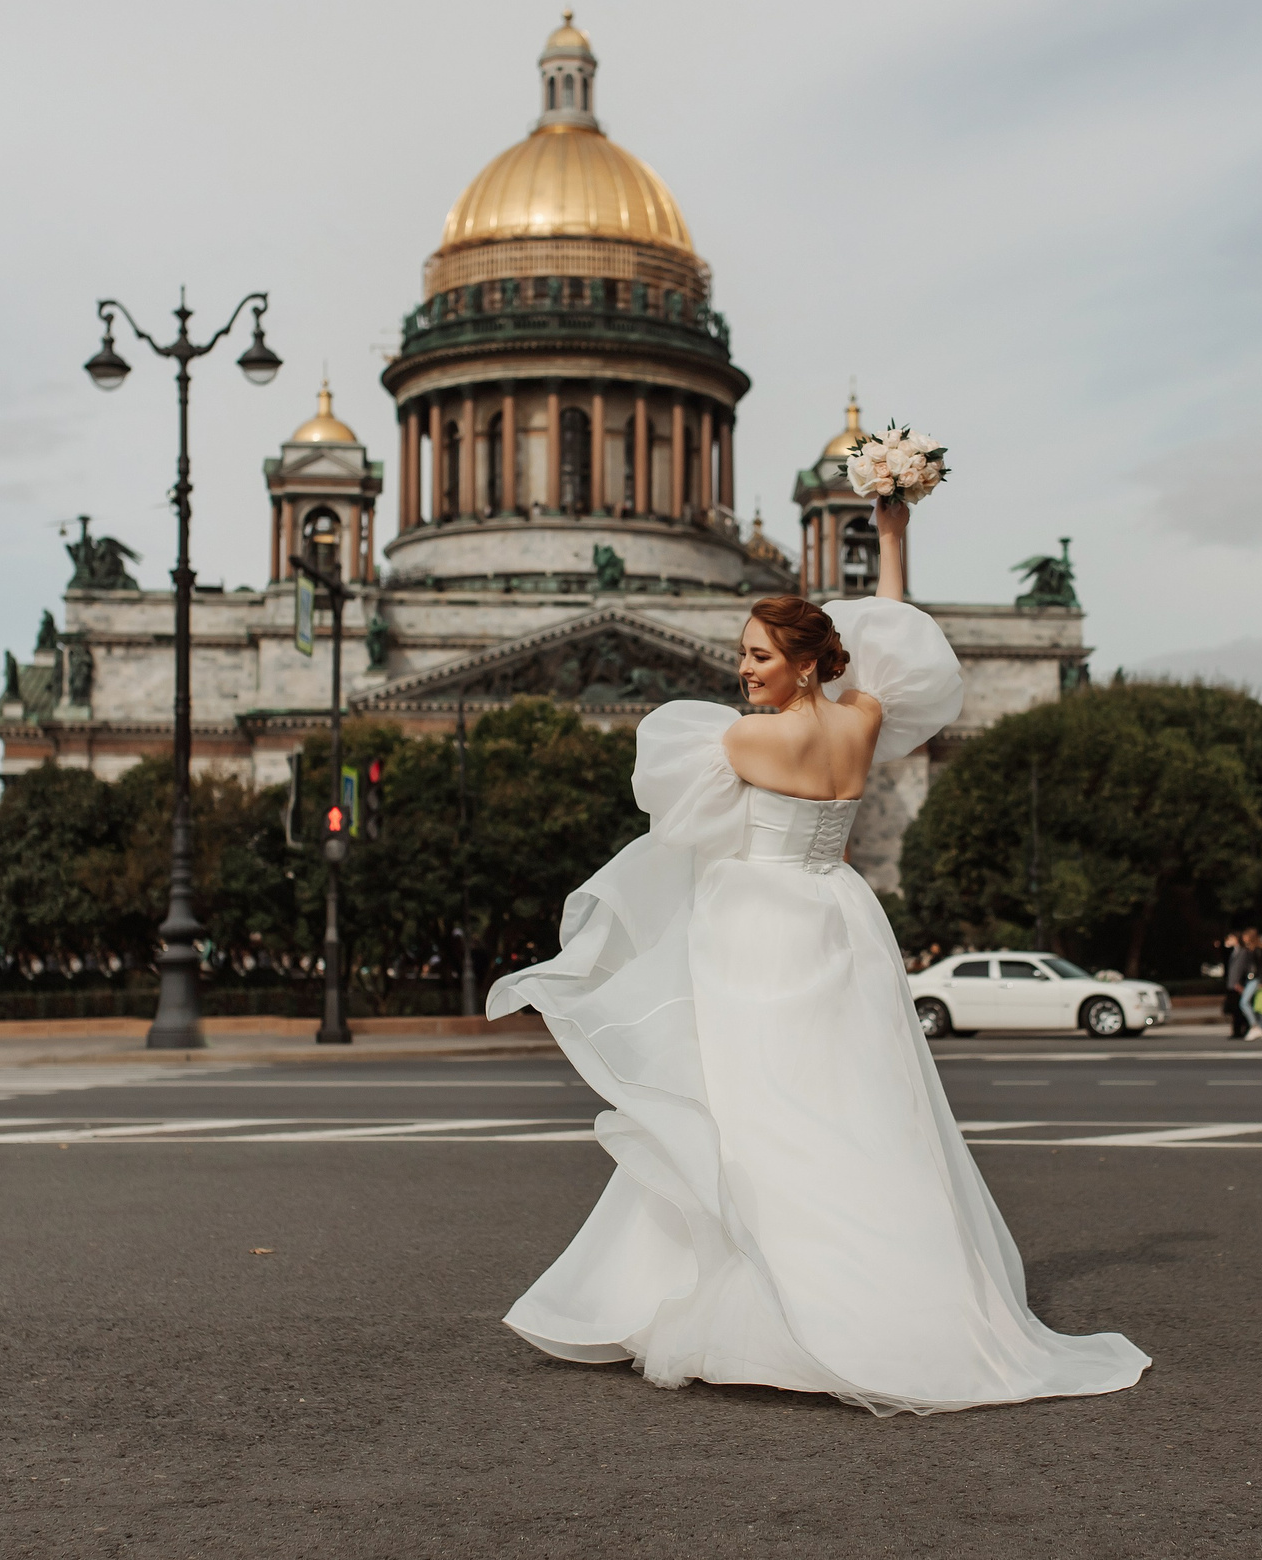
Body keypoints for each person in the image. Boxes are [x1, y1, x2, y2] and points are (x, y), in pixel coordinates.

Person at [486, 499, 1147, 1414]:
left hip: (758, 925)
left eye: (758, 655)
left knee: (750, 1110)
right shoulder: (864, 717)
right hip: (840, 913)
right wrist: (896, 532)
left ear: (800, 664)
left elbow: (669, 803)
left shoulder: (747, 736)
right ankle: (902, 1298)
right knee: (860, 1102)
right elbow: (895, 635)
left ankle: (767, 1302)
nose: (742, 669)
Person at [1223, 931, 1256, 1038]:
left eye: (1231, 938)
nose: (1228, 940)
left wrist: (1240, 982)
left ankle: (1243, 1029)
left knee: (1238, 1008)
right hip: (1232, 984)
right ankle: (1237, 1030)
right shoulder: (1234, 952)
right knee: (1235, 1009)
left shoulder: (1242, 952)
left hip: (1237, 984)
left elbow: (1243, 969)